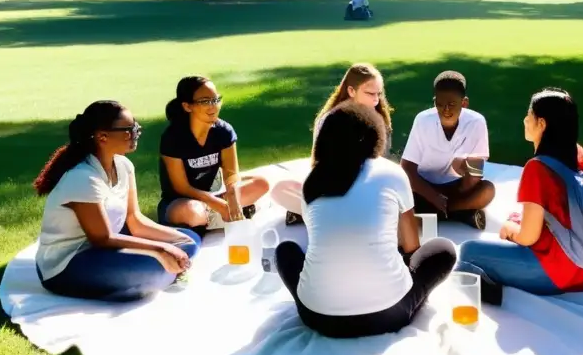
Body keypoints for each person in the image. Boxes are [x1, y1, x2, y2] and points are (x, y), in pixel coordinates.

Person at [275, 102, 457, 338]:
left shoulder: (312, 181)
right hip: (388, 314)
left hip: (318, 317)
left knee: (285, 251)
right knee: (443, 250)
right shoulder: (392, 172)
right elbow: (413, 247)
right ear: (375, 135)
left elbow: (324, 244)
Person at [454, 89, 583, 305]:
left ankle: (494, 295)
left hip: (563, 273)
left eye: (529, 115)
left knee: (468, 252)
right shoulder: (582, 157)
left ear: (542, 124)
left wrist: (511, 230)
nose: (524, 120)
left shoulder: (538, 168)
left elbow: (528, 237)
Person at [33, 101, 200, 302]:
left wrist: (177, 243)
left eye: (135, 127)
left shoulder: (123, 165)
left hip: (105, 249)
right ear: (102, 136)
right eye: (128, 130)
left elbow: (134, 219)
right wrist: (161, 249)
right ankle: (157, 276)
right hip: (68, 263)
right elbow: (102, 238)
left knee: (191, 240)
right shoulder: (83, 177)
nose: (135, 133)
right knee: (155, 265)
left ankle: (158, 275)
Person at [271, 63, 394, 224]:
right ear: (351, 91)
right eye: (370, 93)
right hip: (335, 188)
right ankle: (324, 214)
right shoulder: (330, 120)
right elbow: (319, 166)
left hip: (368, 190)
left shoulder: (379, 120)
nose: (376, 100)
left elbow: (383, 165)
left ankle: (317, 215)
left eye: (378, 94)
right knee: (280, 189)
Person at [157, 76, 270, 235]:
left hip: (213, 196)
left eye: (216, 100)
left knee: (260, 184)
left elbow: (231, 175)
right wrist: (219, 205)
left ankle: (214, 219)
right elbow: (181, 187)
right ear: (187, 106)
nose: (213, 106)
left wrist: (232, 199)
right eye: (205, 101)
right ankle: (228, 216)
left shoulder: (224, 131)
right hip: (179, 202)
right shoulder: (173, 137)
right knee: (193, 212)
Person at [400, 70, 496, 230]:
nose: (445, 110)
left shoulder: (476, 122)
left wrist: (462, 190)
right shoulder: (423, 120)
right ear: (434, 101)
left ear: (464, 103)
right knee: (399, 197)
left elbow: (475, 168)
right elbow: (407, 168)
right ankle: (461, 214)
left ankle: (436, 215)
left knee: (487, 190)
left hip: (455, 186)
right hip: (423, 187)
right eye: (440, 104)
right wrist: (433, 196)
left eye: (451, 104)